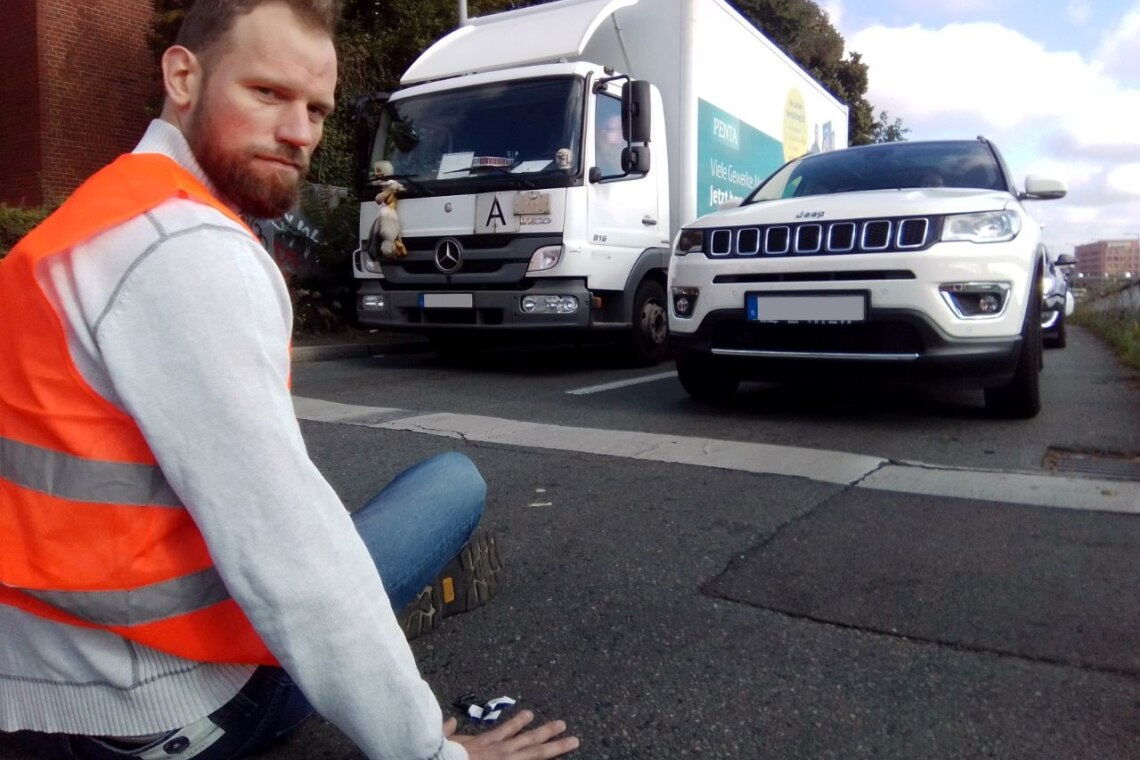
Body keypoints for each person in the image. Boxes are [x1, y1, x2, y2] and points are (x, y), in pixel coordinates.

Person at [0, 1, 579, 759]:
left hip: (31, 678)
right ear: (183, 77)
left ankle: (371, 639)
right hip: (151, 712)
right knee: (451, 483)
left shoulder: (83, 225)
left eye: (316, 109)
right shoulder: (186, 248)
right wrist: (430, 752)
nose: (299, 132)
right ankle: (380, 640)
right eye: (267, 93)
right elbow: (291, 558)